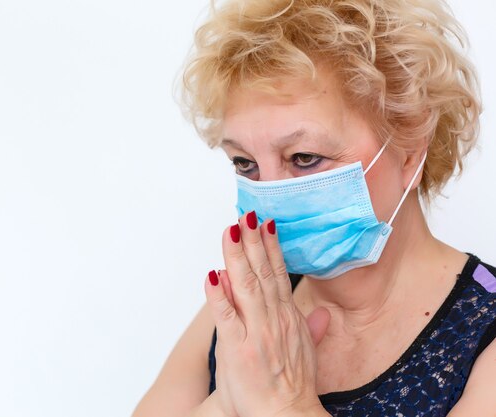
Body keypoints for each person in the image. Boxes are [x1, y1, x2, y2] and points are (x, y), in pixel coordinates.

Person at [133, 0, 496, 415]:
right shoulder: (251, 302)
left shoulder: (483, 336)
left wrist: (283, 403)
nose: (268, 195)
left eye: (304, 157)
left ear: (410, 151)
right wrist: (225, 404)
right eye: (244, 163)